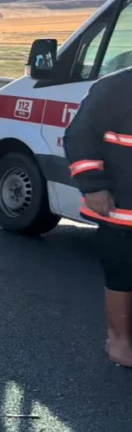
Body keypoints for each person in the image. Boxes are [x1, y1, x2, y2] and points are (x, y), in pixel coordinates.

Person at [63, 66, 132, 367]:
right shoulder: (117, 86)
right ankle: (118, 342)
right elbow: (79, 137)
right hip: (122, 209)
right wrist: (93, 186)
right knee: (122, 276)